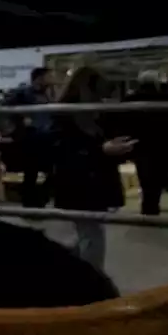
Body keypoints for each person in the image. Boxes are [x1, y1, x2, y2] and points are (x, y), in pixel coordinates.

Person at [51, 67, 133, 272]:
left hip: (87, 184)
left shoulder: (87, 115)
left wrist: (109, 147)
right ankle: (91, 283)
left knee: (89, 235)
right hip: (79, 184)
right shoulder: (67, 115)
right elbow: (67, 150)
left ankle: (66, 265)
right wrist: (102, 149)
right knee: (92, 236)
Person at [120, 71, 168, 215]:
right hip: (160, 144)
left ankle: (147, 205)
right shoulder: (164, 99)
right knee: (158, 177)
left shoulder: (131, 99)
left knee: (144, 176)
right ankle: (153, 205)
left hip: (140, 144)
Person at [3, 67, 55, 208]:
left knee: (53, 171)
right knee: (31, 173)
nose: (52, 79)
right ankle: (30, 203)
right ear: (39, 78)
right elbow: (6, 104)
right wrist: (21, 119)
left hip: (47, 138)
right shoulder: (24, 92)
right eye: (49, 76)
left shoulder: (48, 94)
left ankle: (40, 198)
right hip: (31, 139)